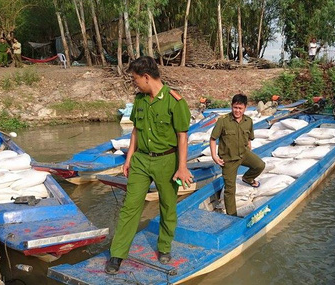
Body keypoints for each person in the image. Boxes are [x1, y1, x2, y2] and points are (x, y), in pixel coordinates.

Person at [105, 56, 193, 275]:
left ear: (146, 77)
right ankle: (117, 253)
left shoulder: (175, 101)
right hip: (142, 160)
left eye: (135, 79)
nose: (134, 83)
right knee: (130, 206)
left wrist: (182, 167)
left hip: (167, 160)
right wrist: (128, 158)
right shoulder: (140, 100)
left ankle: (164, 246)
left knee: (167, 206)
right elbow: (136, 130)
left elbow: (182, 136)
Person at [210, 94, 265, 216]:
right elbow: (213, 139)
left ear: (245, 108)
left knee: (260, 165)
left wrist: (248, 147)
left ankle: (247, 178)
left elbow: (249, 137)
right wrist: (214, 156)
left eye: (240, 108)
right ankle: (232, 216)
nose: (237, 111)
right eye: (235, 107)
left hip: (244, 154)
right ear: (231, 106)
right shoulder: (223, 121)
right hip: (228, 159)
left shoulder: (248, 121)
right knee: (230, 190)